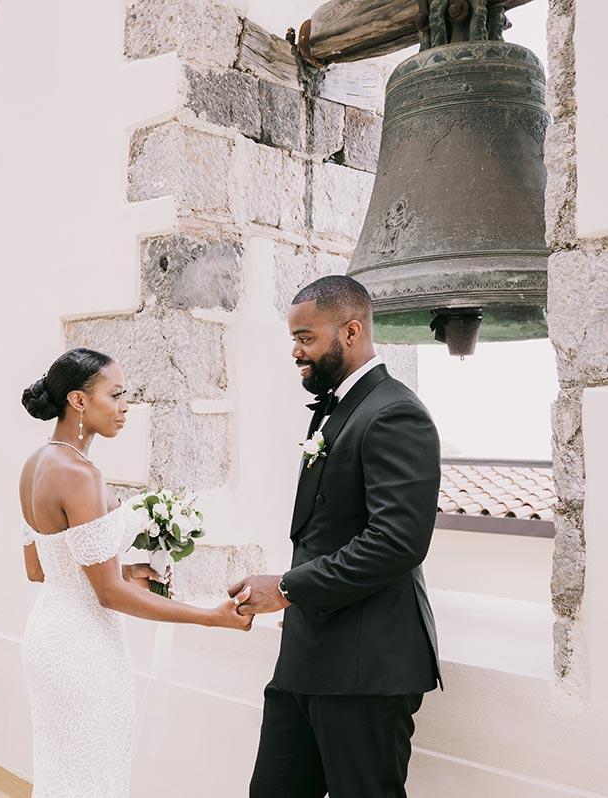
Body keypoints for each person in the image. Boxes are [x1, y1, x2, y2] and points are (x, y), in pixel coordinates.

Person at [230, 276, 443, 798]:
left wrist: (286, 588)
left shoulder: (395, 412)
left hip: (365, 668)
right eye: (294, 340)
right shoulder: (340, 408)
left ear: (351, 331)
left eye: (306, 338)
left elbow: (396, 542)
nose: (296, 352)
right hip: (306, 659)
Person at [19, 347, 252, 798]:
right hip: (84, 647)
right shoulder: (80, 475)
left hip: (49, 637)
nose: (126, 407)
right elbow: (106, 594)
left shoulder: (36, 463)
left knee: (64, 773)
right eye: (116, 395)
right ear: (78, 401)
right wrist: (211, 616)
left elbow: (40, 569)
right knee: (94, 775)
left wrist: (130, 572)